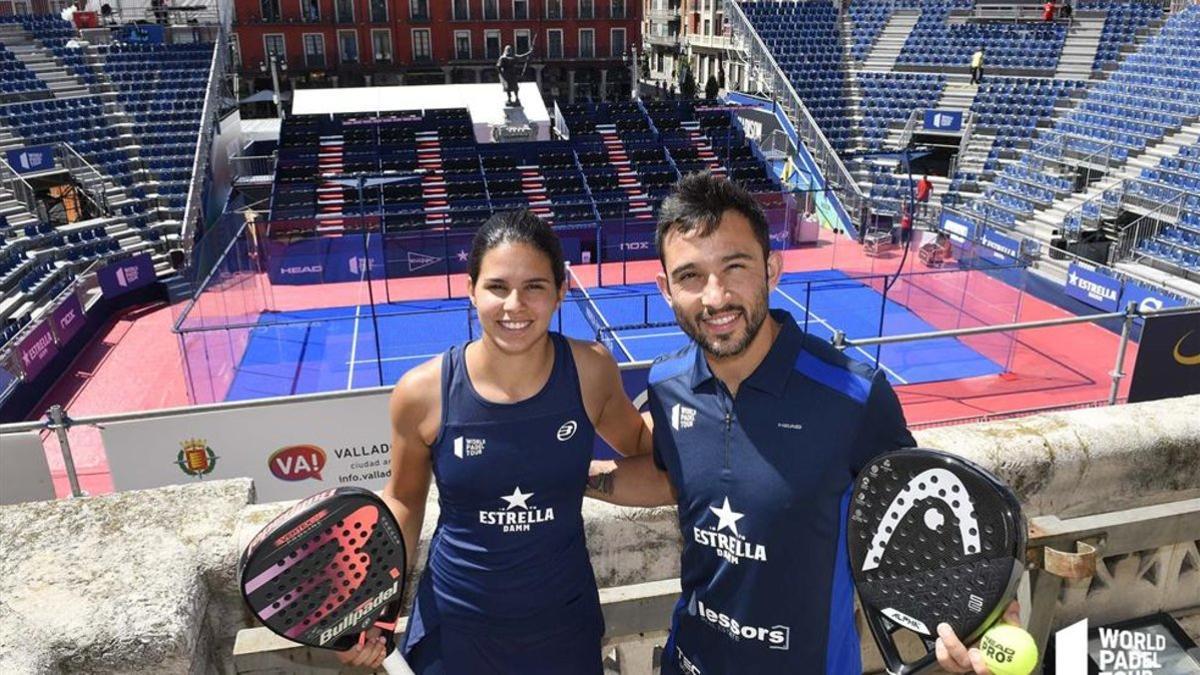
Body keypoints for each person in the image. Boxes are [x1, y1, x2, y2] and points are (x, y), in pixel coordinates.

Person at [585, 172, 1018, 674]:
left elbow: (920, 517)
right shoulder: (666, 384)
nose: (715, 296)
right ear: (665, 288)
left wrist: (985, 620)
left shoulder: (855, 396)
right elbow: (672, 476)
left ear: (772, 269)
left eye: (735, 267)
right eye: (690, 276)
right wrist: (565, 475)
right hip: (691, 661)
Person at [339, 210, 653, 673]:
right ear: (471, 290)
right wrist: (374, 606)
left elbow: (643, 449)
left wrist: (574, 477)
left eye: (534, 287)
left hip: (563, 626)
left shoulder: (590, 370)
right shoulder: (421, 393)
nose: (514, 305)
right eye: (497, 286)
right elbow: (404, 503)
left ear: (561, 290)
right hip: (458, 628)